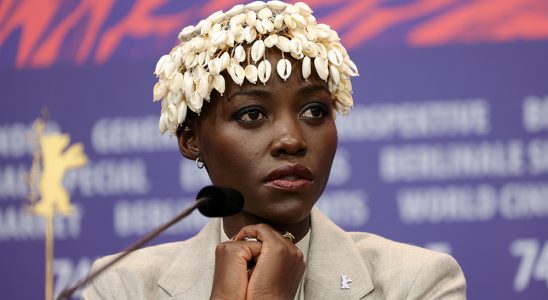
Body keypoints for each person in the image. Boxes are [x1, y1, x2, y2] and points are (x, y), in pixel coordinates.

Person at [82, 1, 466, 299]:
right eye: (252, 114)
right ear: (190, 140)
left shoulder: (417, 281)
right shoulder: (122, 286)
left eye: (315, 111)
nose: (292, 140)